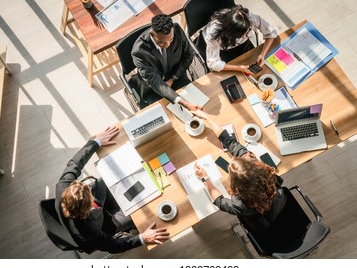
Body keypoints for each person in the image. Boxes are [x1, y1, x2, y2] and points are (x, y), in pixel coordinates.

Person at [55, 126, 169, 254]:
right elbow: (113, 246)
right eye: (90, 195)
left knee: (113, 176)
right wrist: (142, 238)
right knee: (138, 209)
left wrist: (97, 142)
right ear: (88, 206)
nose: (89, 188)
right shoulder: (89, 231)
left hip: (96, 208)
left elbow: (75, 163)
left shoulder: (62, 186)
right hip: (107, 223)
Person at [191, 110, 286, 233]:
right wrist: (206, 117)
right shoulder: (267, 174)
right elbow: (229, 141)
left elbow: (219, 201)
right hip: (280, 206)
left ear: (237, 186)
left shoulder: (240, 205)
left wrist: (205, 178)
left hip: (264, 228)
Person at [131, 14, 200, 110]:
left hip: (176, 75)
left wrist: (173, 79)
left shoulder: (177, 30)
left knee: (198, 101)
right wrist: (185, 104)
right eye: (161, 42)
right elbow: (155, 82)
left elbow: (188, 56)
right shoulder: (138, 52)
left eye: (171, 40)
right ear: (152, 34)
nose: (167, 45)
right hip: (153, 88)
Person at [201, 5, 277, 74]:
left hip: (243, 45)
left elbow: (270, 32)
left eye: (247, 32)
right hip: (222, 50)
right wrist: (239, 68)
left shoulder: (249, 18)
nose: (244, 37)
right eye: (240, 35)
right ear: (230, 33)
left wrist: (262, 54)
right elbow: (213, 63)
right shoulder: (214, 34)